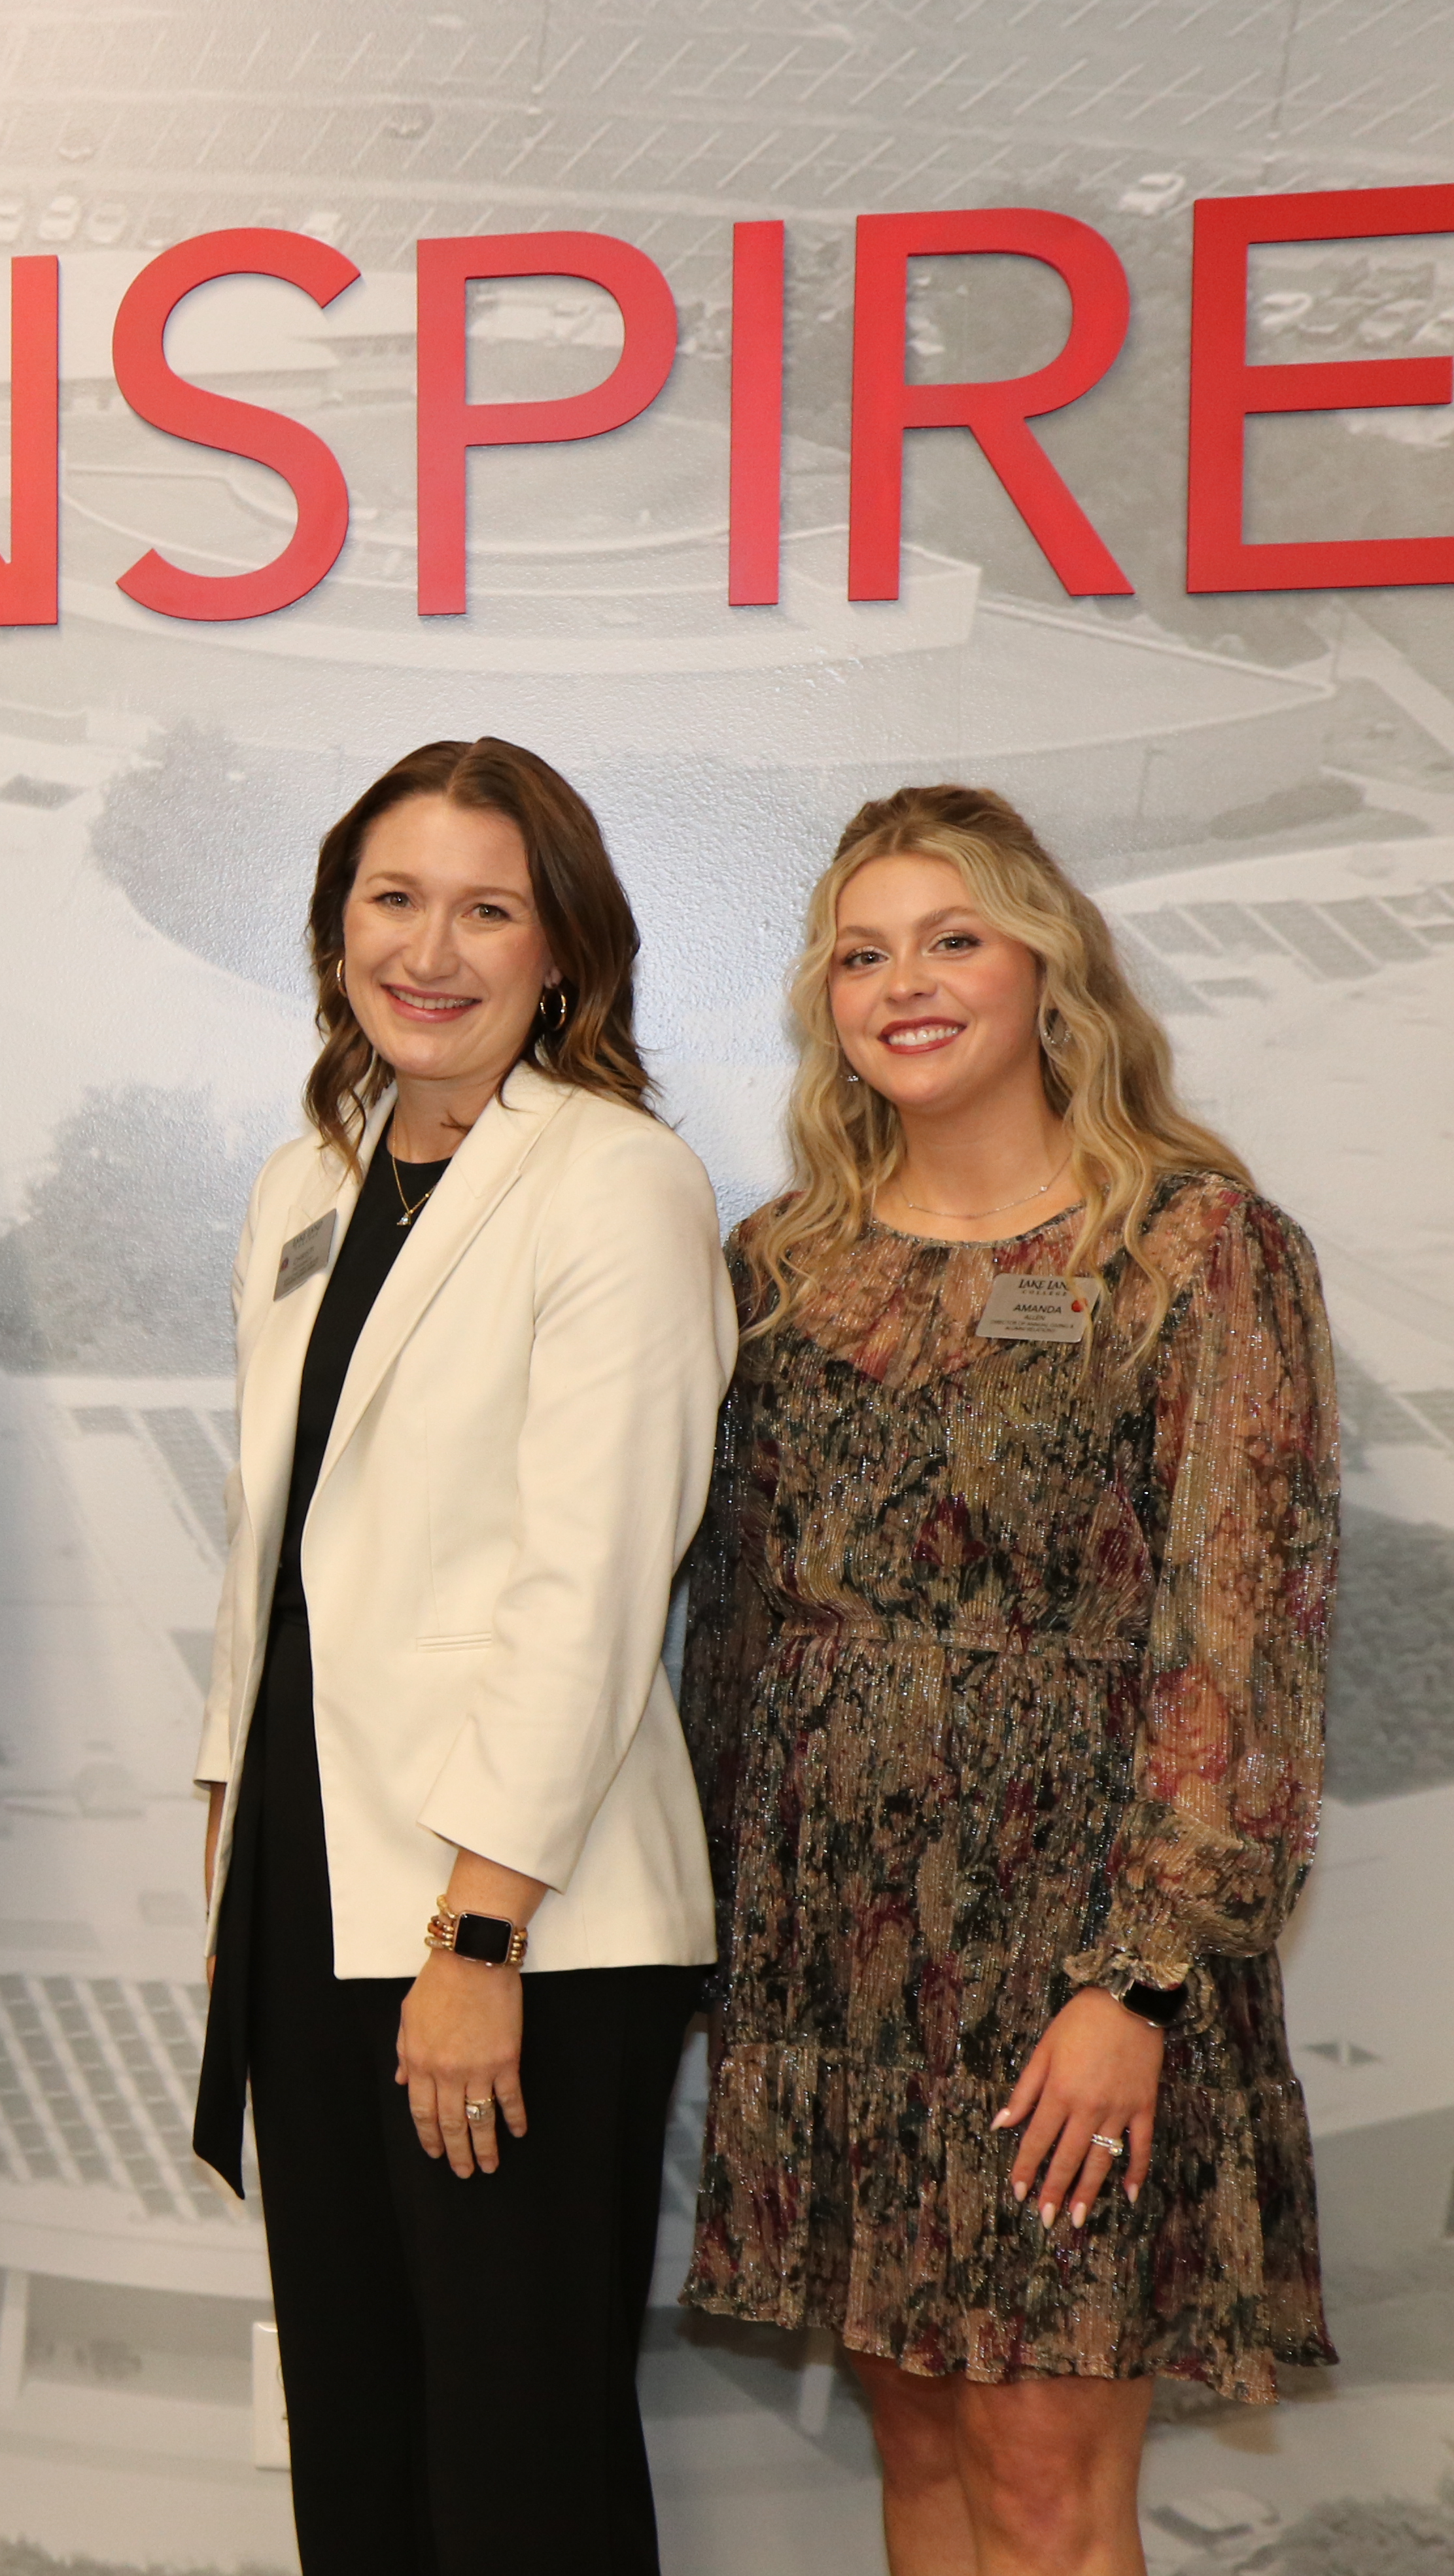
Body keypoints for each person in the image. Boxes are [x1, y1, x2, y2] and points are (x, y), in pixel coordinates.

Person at [684, 787, 1336, 2573]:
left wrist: (1140, 1984)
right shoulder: (782, 1274)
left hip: (1080, 1967)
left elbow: (1242, 1632)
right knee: (925, 2477)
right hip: (835, 1963)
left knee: (1048, 2501)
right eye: (862, 950)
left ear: (1050, 971)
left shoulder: (1197, 1254)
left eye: (953, 938)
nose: (905, 983)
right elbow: (730, 1636)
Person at [184, 737, 731, 2572]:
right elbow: (281, 1554)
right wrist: (227, 1829)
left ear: (562, 947)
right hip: (316, 1889)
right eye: (393, 900)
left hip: (520, 1925)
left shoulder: (614, 1182)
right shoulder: (307, 1181)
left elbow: (592, 1585)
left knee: (516, 2467)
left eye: (488, 908)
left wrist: (478, 1931)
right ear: (339, 925)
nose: (432, 947)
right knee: (358, 2438)